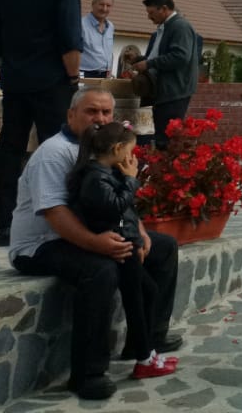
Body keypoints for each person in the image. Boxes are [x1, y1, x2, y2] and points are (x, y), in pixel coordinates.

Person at [8, 86, 182, 402]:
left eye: (106, 112)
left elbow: (119, 198)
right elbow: (55, 213)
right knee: (101, 270)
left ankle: (146, 341)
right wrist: (96, 244)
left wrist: (140, 232)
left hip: (89, 232)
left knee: (164, 247)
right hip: (41, 243)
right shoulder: (55, 153)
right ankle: (88, 374)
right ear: (71, 114)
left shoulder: (103, 148)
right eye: (91, 111)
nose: (99, 118)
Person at [0, 0, 84, 246]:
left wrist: (15, 66)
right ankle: (55, 224)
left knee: (10, 150)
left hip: (15, 81)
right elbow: (70, 38)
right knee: (55, 151)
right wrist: (73, 78)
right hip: (52, 82)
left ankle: (5, 226)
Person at [66, 120, 177, 380]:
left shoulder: (108, 173)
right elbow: (115, 206)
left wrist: (139, 236)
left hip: (127, 243)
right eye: (130, 150)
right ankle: (144, 358)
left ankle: (144, 350)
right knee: (135, 299)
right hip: (119, 247)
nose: (132, 156)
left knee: (148, 291)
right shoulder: (95, 178)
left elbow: (127, 211)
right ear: (117, 149)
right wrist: (130, 180)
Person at [133, 0, 201, 148]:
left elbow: (180, 57)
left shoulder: (180, 26)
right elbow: (159, 55)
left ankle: (164, 163)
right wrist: (139, 60)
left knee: (166, 139)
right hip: (165, 91)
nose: (149, 17)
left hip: (174, 92)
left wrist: (148, 64)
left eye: (151, 13)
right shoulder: (165, 27)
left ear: (163, 9)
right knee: (159, 136)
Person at [79, 0, 117, 79]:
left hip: (105, 75)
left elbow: (109, 52)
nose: (104, 9)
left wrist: (109, 70)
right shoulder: (80, 25)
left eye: (108, 6)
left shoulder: (110, 26)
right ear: (93, 4)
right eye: (101, 4)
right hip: (85, 74)